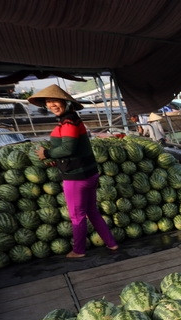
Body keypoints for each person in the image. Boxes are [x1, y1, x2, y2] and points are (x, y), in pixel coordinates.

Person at [30, 84, 118, 259]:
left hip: (77, 177)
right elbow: (75, 150)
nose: (51, 105)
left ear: (65, 102)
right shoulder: (72, 120)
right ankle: (111, 243)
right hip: (88, 173)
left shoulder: (69, 122)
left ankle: (78, 250)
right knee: (92, 211)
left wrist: (46, 153)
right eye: (48, 101)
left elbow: (68, 148)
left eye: (55, 101)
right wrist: (57, 162)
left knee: (77, 216)